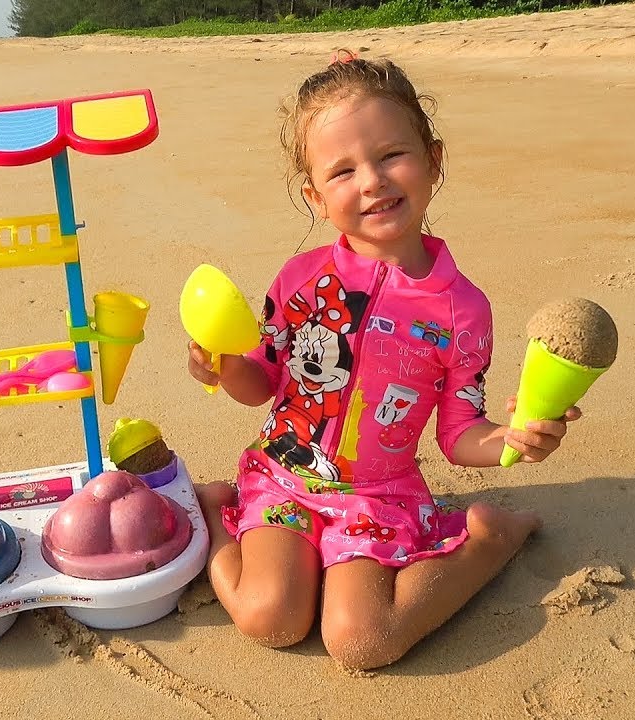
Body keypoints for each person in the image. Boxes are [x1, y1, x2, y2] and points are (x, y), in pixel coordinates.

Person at [187, 51, 582, 670]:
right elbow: (262, 381)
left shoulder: (461, 310)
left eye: (392, 154)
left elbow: (459, 433)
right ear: (316, 197)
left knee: (362, 640)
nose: (372, 181)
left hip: (379, 495)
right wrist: (225, 365)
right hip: (284, 476)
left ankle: (487, 544)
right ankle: (218, 510)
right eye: (343, 171)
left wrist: (511, 440)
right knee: (271, 616)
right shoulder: (301, 279)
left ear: (434, 159)